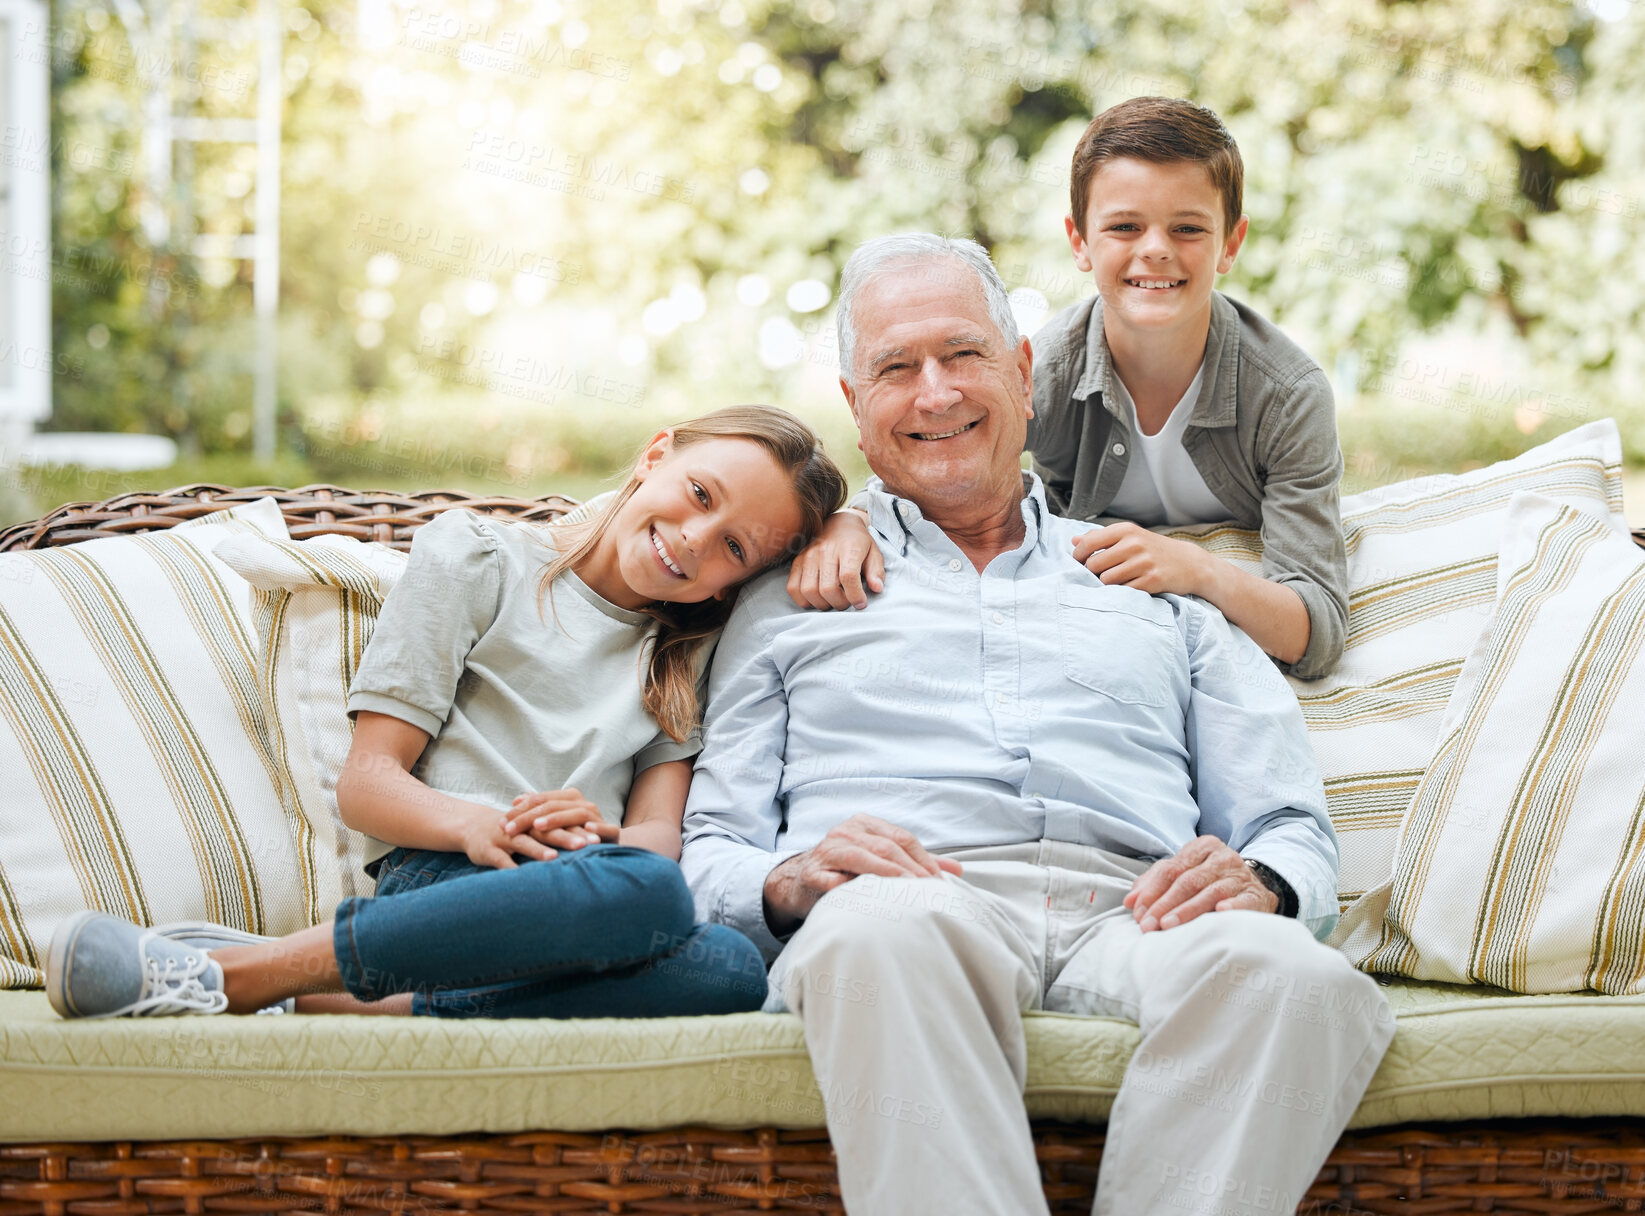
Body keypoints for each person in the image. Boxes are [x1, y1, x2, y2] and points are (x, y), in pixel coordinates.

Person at [681, 236, 1392, 1215]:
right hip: (912, 899)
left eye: (962, 354)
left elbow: (1289, 825)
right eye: (895, 367)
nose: (934, 394)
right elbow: (707, 848)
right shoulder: (789, 598)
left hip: (1142, 913)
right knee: (877, 933)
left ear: (1022, 372)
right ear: (854, 406)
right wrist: (787, 878)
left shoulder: (1155, 582)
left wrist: (1264, 879)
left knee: (1296, 978)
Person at [46, 405, 848, 1022]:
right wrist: (480, 827)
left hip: (588, 897)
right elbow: (368, 785)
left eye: (735, 549)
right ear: (655, 456)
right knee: (656, 900)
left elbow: (654, 842)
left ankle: (323, 992)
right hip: (445, 879)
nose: (695, 537)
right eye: (698, 494)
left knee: (729, 966)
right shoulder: (479, 559)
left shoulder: (680, 658)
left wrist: (601, 840)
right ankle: (242, 978)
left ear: (728, 587)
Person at [788, 97, 1348, 679]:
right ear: (1079, 241)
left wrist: (1198, 569)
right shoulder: (1044, 373)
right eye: (1125, 226)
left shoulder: (1288, 395)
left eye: (1187, 228)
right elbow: (932, 447)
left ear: (1230, 243)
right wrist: (850, 519)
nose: (1155, 248)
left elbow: (1318, 629)